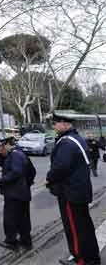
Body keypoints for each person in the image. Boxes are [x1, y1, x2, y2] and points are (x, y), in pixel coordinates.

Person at [46, 113, 101, 265]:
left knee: (75, 230)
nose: (54, 126)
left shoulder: (66, 142)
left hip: (70, 194)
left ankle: (80, 260)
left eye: (56, 123)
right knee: (85, 227)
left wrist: (49, 178)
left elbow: (60, 167)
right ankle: (92, 258)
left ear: (65, 124)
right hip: (79, 191)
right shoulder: (77, 138)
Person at [0, 136, 35, 251]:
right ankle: (26, 242)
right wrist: (27, 184)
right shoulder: (21, 153)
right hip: (23, 192)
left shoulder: (15, 155)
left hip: (14, 193)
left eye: (2, 146)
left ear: (7, 144)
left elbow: (16, 172)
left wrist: (2, 179)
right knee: (23, 218)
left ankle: (11, 242)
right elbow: (32, 172)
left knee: (10, 218)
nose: (1, 149)